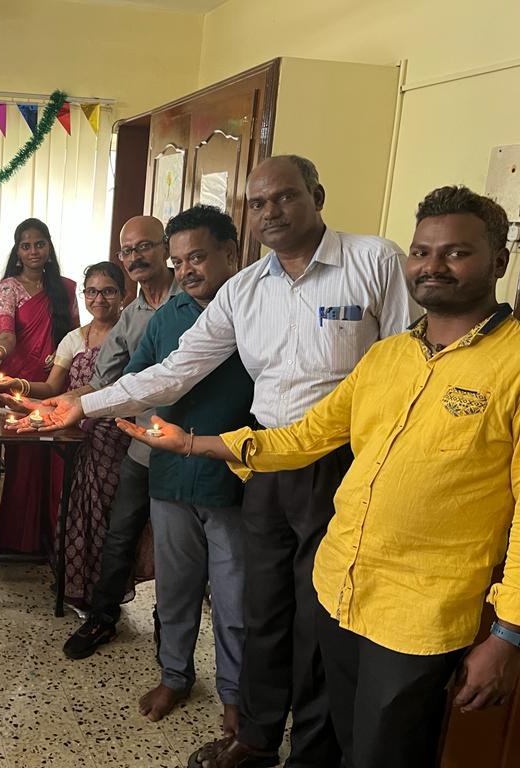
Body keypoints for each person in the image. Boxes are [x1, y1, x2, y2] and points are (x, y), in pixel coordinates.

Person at [119, 186, 520, 768]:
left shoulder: (511, 364)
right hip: (341, 586)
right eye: (422, 251)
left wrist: (508, 634)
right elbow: (305, 436)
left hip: (419, 614)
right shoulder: (389, 357)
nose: (432, 265)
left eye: (456, 253)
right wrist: (192, 443)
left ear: (499, 261)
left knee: (384, 750)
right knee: (337, 728)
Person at [38, 155, 413, 768]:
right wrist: (85, 404)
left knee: (322, 616)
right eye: (258, 203)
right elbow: (175, 371)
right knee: (261, 608)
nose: (272, 212)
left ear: (317, 195)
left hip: (342, 463)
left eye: (285, 196)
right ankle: (257, 738)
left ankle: (312, 752)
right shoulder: (245, 290)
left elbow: (408, 365)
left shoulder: (374, 261)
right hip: (264, 460)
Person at [121, 206, 252, 733]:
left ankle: (235, 694)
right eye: (177, 261)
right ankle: (175, 675)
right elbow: (137, 382)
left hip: (234, 479)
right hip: (172, 477)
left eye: (196, 257)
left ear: (231, 253)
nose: (185, 270)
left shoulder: (255, 310)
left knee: (234, 599)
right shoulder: (166, 317)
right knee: (174, 590)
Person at [57, 215, 177, 660]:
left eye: (144, 247)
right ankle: (102, 617)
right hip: (142, 444)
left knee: (176, 544)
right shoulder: (133, 315)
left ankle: (171, 633)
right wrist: (55, 403)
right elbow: (102, 379)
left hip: (190, 446)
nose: (135, 257)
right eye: (127, 251)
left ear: (165, 248)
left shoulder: (193, 300)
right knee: (120, 532)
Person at [0, 261, 127, 607]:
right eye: (91, 291)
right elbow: (52, 386)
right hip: (74, 431)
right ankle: (78, 586)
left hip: (116, 434)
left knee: (110, 514)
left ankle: (107, 593)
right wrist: (19, 387)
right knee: (77, 509)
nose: (99, 299)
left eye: (108, 291)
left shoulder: (132, 333)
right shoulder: (74, 338)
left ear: (123, 295)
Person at [0, 219, 78, 553]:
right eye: (26, 246)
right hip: (19, 384)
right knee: (24, 458)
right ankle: (19, 539)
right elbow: (6, 333)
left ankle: (53, 537)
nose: (33, 251)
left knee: (55, 459)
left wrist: (62, 358)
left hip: (56, 381)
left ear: (49, 247)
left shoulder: (66, 288)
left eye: (39, 244)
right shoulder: (8, 288)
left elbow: (76, 336)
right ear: (18, 251)